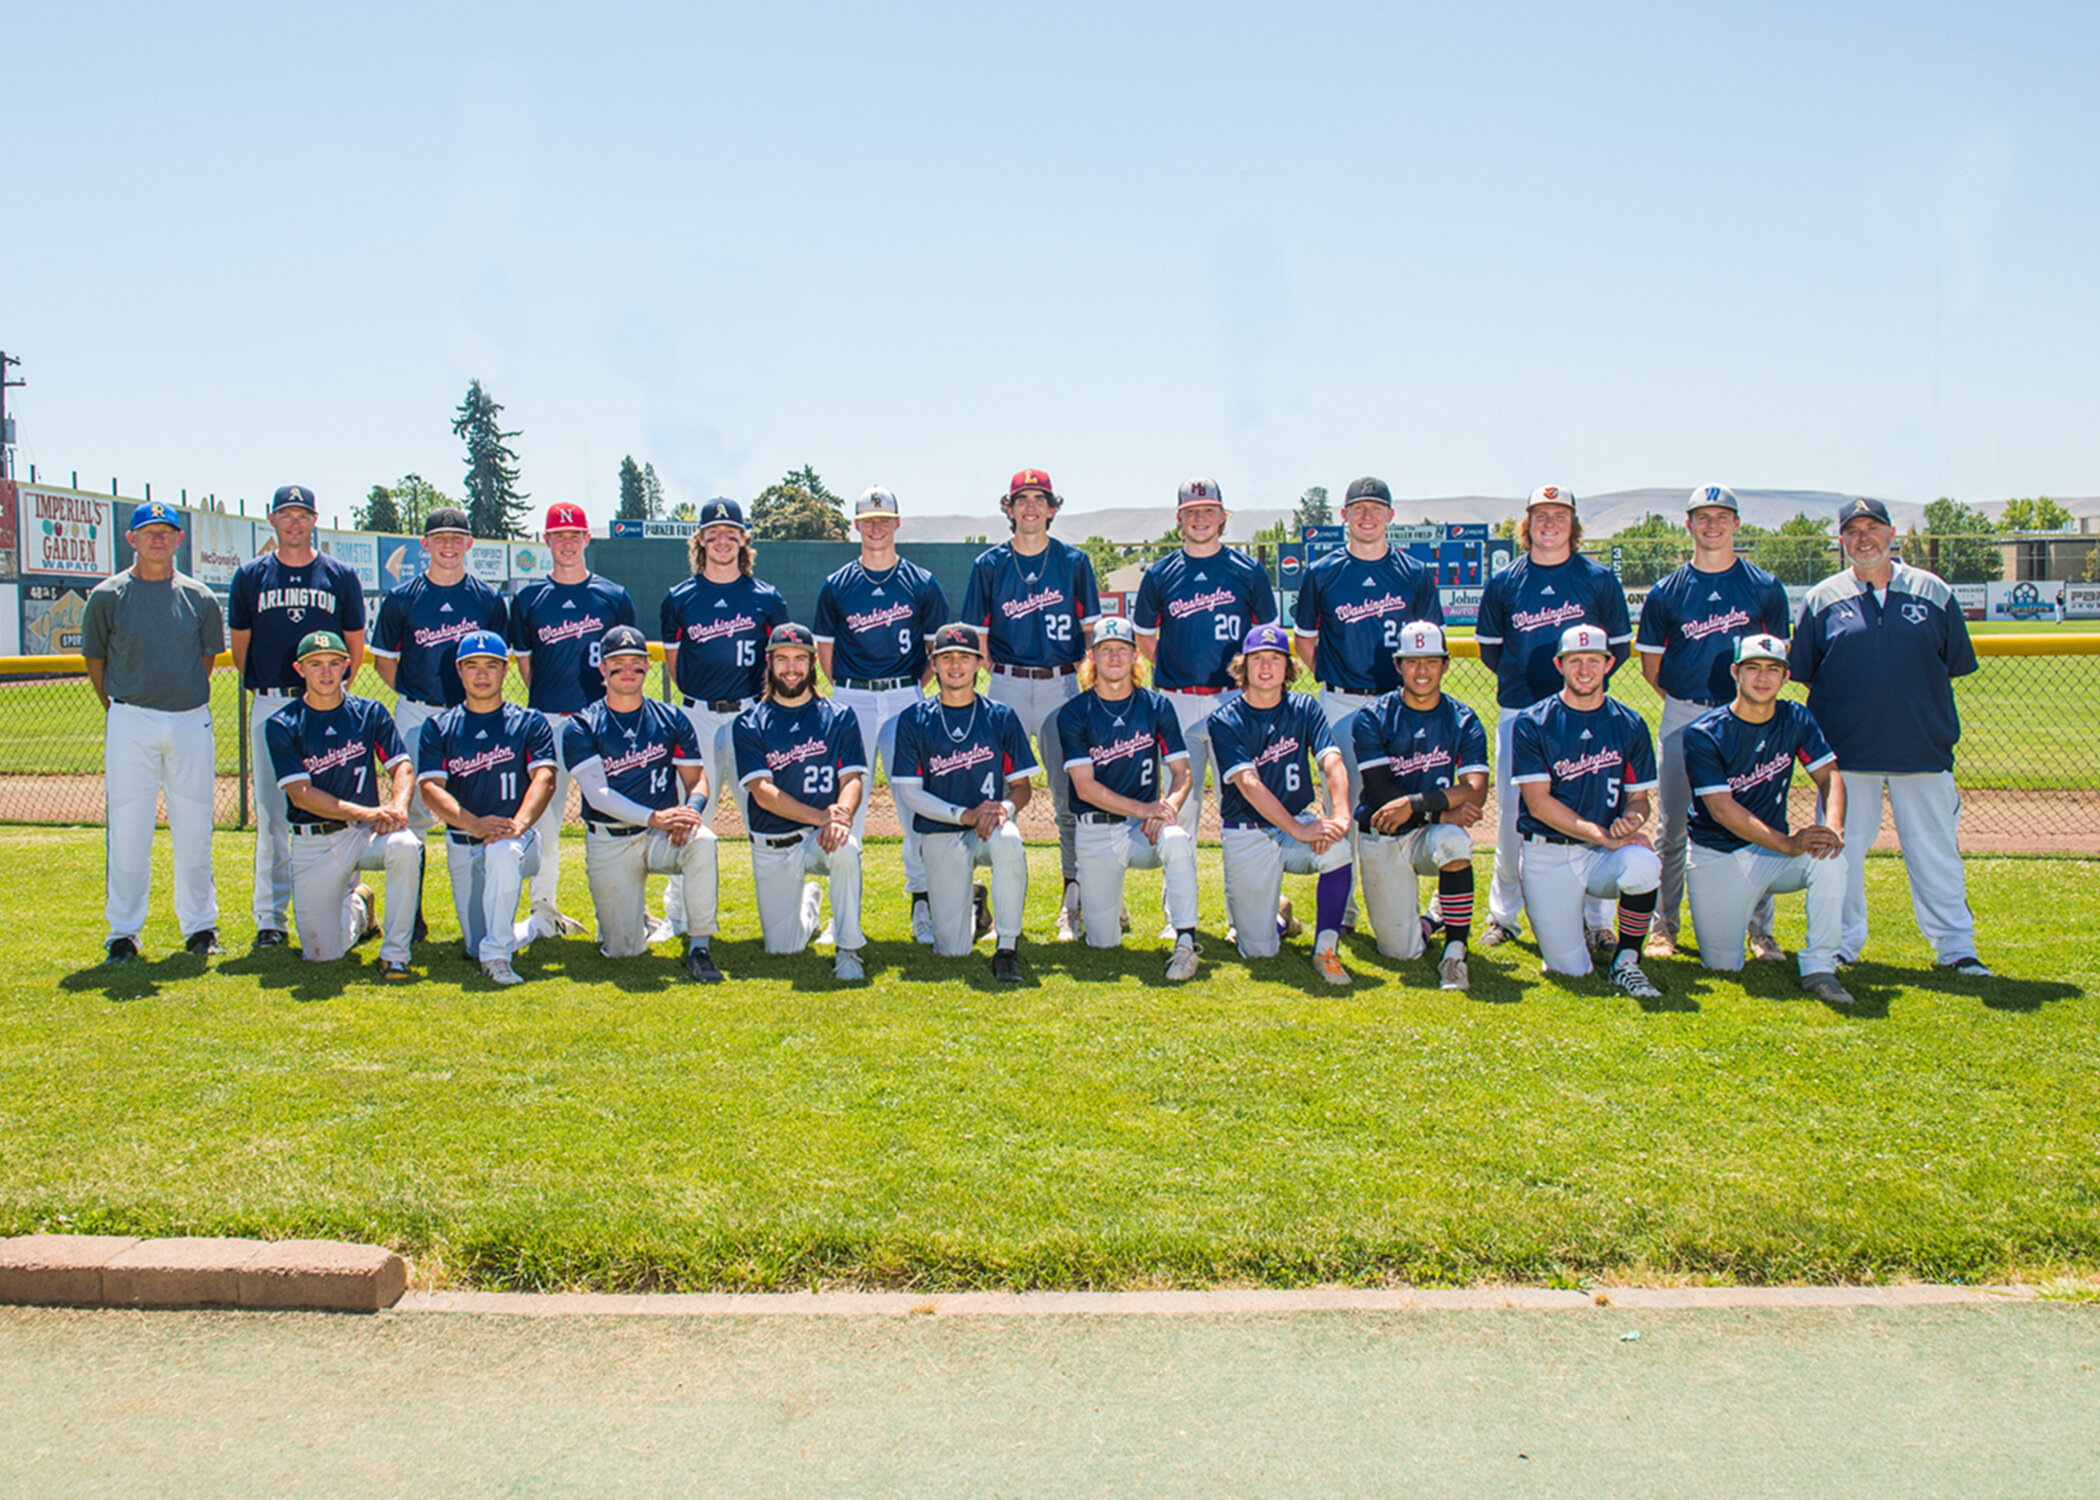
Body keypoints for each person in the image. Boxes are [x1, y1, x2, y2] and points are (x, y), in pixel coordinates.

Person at [1788, 497, 1989, 978]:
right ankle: (1838, 944)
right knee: (1838, 853)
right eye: (1853, 531)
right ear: (1841, 540)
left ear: (1891, 533)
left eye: (1873, 528)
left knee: (1935, 853)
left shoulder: (1933, 591)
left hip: (1921, 750)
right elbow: (1808, 671)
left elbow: (1951, 663)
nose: (1864, 538)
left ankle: (1956, 947)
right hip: (1845, 756)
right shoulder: (1822, 598)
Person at [1634, 484, 1792, 962]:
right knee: (1672, 827)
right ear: (1689, 524)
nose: (1713, 525)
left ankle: (1759, 931)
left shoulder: (1764, 587)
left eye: (1722, 516)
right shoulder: (1667, 591)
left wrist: (1741, 710)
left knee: (1754, 821)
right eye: (1703, 516)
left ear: (1737, 524)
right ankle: (1663, 927)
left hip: (1747, 716)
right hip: (1685, 711)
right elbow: (1651, 668)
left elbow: (1776, 660)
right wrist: (1689, 704)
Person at [1475, 484, 1633, 951]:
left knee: (1592, 811)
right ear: (1527, 524)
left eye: (1559, 515)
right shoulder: (1505, 582)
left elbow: (1618, 648)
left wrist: (1580, 690)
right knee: (1512, 815)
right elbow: (1491, 651)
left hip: (1586, 713)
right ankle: (1504, 915)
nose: (1549, 523)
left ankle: (1596, 919)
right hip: (1520, 711)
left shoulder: (1598, 579)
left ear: (1573, 524)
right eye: (1540, 515)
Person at [1290, 476, 1442, 937]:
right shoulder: (1323, 573)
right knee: (1342, 804)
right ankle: (1346, 907)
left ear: (1391, 516)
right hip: (1340, 700)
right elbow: (1304, 641)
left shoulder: (1414, 573)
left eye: (1377, 508)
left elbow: (1429, 644)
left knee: (1402, 801)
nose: (1368, 516)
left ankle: (1402, 904)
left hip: (1400, 703)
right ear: (1344, 516)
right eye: (1359, 508)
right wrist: (1336, 675)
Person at [958, 468, 1100, 942]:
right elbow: (976, 636)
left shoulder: (1074, 562)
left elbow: (1090, 633)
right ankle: (992, 906)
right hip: (1008, 685)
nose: (1031, 507)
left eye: (1040, 499)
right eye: (1022, 499)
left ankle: (1072, 902)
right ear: (1009, 508)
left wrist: (1076, 676)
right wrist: (998, 674)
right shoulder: (989, 564)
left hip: (1062, 686)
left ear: (1052, 508)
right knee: (996, 796)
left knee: (1070, 797)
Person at [1130, 475, 1276, 935]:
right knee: (1179, 811)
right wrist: (1176, 668)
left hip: (1234, 701)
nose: (1200, 519)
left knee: (1244, 811)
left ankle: (1243, 918)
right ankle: (1178, 919)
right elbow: (1145, 637)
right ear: (1179, 520)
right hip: (1176, 701)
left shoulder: (1247, 571)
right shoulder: (1160, 574)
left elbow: (1266, 640)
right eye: (1191, 512)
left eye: (1208, 510)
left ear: (1222, 517)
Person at [83, 500, 225, 964]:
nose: (158, 538)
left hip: (188, 717)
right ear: (131, 538)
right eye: (149, 531)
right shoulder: (107, 595)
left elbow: (205, 660)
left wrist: (176, 696)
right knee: (128, 827)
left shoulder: (200, 597)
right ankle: (123, 933)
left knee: (195, 826)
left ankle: (200, 927)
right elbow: (96, 660)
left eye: (166, 531)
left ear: (179, 539)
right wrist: (119, 706)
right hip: (131, 717)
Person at [228, 484, 367, 950]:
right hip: (272, 700)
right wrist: (266, 686)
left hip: (327, 702)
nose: (294, 522)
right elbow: (241, 648)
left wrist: (334, 692)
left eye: (302, 514)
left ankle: (345, 903)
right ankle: (271, 918)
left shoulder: (339, 575)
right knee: (272, 814)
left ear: (314, 520)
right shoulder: (250, 576)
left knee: (335, 807)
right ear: (271, 519)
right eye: (286, 514)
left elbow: (354, 643)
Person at [1683, 635, 1852, 1004]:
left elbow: (1830, 776)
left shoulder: (1795, 717)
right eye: (1753, 668)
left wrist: (1834, 828)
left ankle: (1820, 967)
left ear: (1785, 676)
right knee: (1722, 966)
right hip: (1718, 856)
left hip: (1770, 856)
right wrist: (1788, 843)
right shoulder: (1704, 733)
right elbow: (1722, 809)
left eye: (1773, 669)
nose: (1762, 677)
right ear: (1735, 672)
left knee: (1830, 860)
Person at [813, 485, 948, 943]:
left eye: (884, 519)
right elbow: (826, 655)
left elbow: (936, 653)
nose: (876, 527)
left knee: (914, 803)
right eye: (868, 520)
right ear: (856, 525)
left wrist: (910, 690)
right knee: (848, 805)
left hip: (905, 696)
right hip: (852, 698)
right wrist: (851, 693)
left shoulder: (921, 582)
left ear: (897, 523)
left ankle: (922, 905)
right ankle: (842, 915)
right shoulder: (837, 585)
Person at [370, 506, 510, 940]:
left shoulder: (488, 600)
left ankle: (483, 913)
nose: (448, 545)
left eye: (456, 537)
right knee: (411, 815)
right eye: (439, 538)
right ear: (425, 544)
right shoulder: (402, 598)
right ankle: (410, 913)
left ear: (469, 543)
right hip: (418, 711)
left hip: (471, 715)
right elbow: (384, 662)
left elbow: (498, 661)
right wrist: (417, 691)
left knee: (476, 808)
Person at [560, 626, 725, 982]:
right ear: (602, 668)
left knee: (703, 841)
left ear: (647, 667)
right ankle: (634, 919)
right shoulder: (582, 725)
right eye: (617, 663)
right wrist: (655, 817)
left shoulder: (670, 717)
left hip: (661, 837)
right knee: (623, 951)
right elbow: (597, 795)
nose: (627, 670)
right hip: (611, 839)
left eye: (635, 662)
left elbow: (696, 779)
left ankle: (699, 948)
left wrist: (691, 812)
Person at [1509, 624, 1663, 998]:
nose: (1584, 670)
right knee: (1569, 970)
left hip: (1601, 855)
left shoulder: (1629, 723)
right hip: (1550, 852)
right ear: (1559, 665)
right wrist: (1602, 835)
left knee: (1644, 863)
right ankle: (1571, 924)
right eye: (1574, 660)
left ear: (1608, 664)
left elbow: (1639, 799)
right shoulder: (1533, 721)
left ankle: (1627, 961)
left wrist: (1633, 819)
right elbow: (1538, 803)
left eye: (1593, 660)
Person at [506, 501, 636, 940]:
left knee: (614, 817)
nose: (567, 542)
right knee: (545, 820)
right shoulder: (528, 599)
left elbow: (625, 662)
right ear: (546, 540)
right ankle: (543, 907)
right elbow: (527, 667)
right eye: (558, 535)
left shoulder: (613, 596)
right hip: (548, 720)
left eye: (574, 535)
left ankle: (622, 908)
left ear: (586, 538)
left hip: (601, 722)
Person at [659, 497, 788, 933]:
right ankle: (677, 915)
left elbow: (781, 663)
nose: (721, 541)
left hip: (750, 715)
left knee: (765, 815)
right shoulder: (679, 599)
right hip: (697, 715)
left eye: (730, 534)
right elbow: (675, 667)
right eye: (712, 534)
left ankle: (783, 911)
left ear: (743, 540)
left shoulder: (766, 597)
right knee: (690, 814)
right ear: (700, 540)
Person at [263, 630, 421, 980]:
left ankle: (396, 954)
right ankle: (360, 908)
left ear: (347, 666)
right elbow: (301, 794)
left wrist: (398, 808)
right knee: (322, 954)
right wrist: (369, 812)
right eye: (315, 664)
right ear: (299, 669)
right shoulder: (283, 724)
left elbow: (402, 767)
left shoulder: (369, 712)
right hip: (315, 840)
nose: (326, 672)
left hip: (365, 835)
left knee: (407, 846)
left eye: (334, 663)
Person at [1204, 623, 1356, 986]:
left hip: (1294, 824)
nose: (1266, 666)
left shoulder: (1304, 707)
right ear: (1243, 665)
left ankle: (1326, 950)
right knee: (1259, 951)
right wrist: (1299, 829)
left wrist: (1341, 814)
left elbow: (1331, 761)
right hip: (1248, 832)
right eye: (1257, 658)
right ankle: (1279, 919)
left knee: (1338, 849)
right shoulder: (1225, 719)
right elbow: (1249, 784)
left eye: (1276, 658)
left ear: (1288, 667)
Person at [1055, 616, 1202, 981]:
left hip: (1142, 831)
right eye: (1106, 650)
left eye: (1122, 649)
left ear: (1136, 656)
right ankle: (1107, 898)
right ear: (1092, 658)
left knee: (1177, 839)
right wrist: (1146, 808)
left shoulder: (1156, 706)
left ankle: (1186, 942)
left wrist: (1166, 810)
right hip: (1096, 830)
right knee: (1102, 943)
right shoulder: (1074, 712)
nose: (1114, 657)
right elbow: (1085, 788)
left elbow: (1183, 773)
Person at [892, 624, 1038, 982]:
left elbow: (1021, 787)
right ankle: (973, 904)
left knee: (1010, 840)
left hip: (988, 828)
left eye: (964, 657)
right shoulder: (914, 719)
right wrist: (966, 815)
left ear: (978, 663)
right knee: (952, 949)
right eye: (946, 658)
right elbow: (910, 794)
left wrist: (1003, 809)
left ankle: (1007, 947)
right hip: (940, 830)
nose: (955, 665)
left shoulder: (1000, 716)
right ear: (934, 665)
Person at [415, 631, 559, 987]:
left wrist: (518, 825)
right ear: (459, 671)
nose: (482, 674)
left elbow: (545, 779)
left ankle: (497, 958)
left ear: (505, 670)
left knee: (501, 850)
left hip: (516, 839)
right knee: (473, 945)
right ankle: (537, 926)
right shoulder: (439, 726)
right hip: (463, 839)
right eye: (472, 666)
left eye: (491, 665)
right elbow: (430, 790)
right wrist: (474, 824)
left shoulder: (529, 721)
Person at [1351, 621, 1489, 993]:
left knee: (1454, 841)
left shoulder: (1463, 718)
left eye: (1431, 661)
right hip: (1384, 833)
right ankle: (1432, 920)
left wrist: (1418, 806)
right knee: (1401, 952)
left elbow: (1476, 791)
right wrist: (1441, 811)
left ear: (1446, 664)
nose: (1422, 670)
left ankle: (1455, 953)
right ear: (1398, 666)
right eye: (1413, 662)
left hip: (1429, 832)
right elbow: (1380, 791)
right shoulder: (1372, 717)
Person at [731, 623, 868, 982]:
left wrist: (840, 817)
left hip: (820, 838)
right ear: (769, 663)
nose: (791, 668)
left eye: (799, 659)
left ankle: (848, 950)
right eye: (782, 659)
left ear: (812, 663)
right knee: (783, 948)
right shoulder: (749, 722)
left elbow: (852, 779)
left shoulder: (839, 715)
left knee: (846, 849)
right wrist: (820, 815)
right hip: (774, 842)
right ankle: (809, 902)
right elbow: (762, 792)